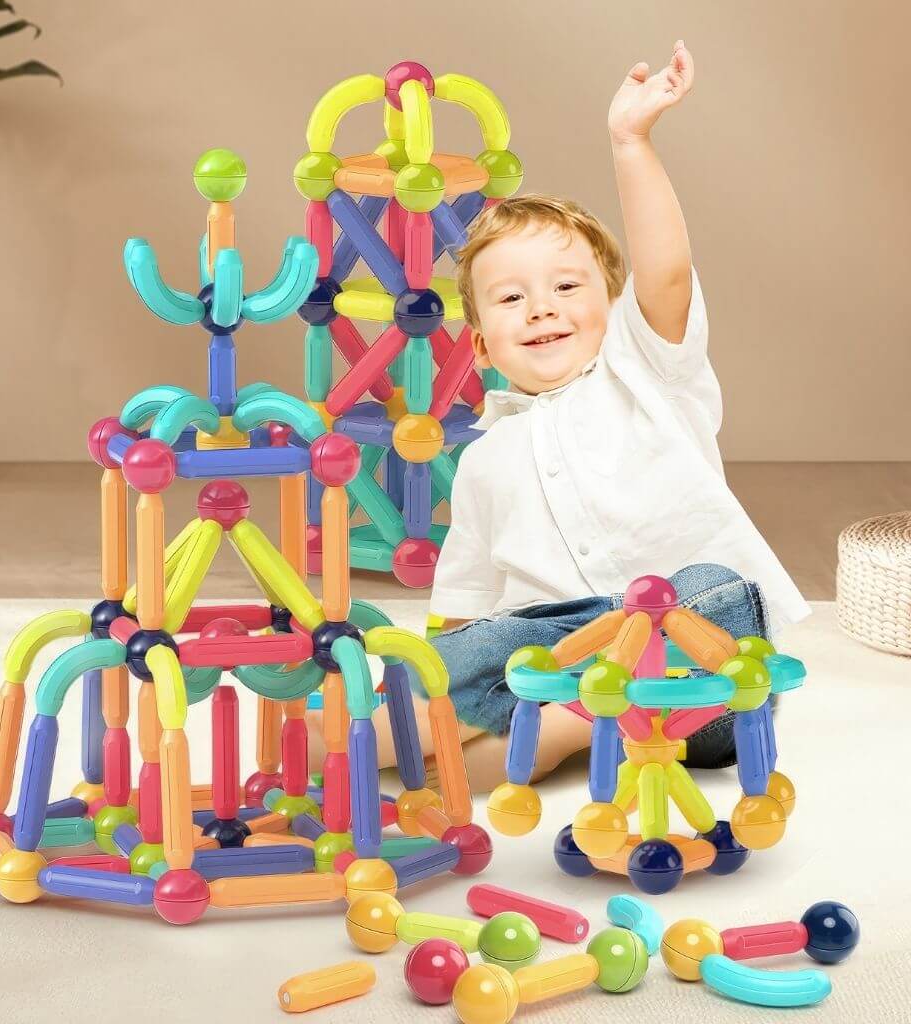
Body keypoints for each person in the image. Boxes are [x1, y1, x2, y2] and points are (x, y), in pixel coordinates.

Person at [308, 41, 810, 791]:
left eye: (567, 287)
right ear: (479, 345)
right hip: (563, 652)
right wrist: (440, 661)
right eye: (511, 298)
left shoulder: (647, 374)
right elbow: (465, 603)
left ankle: (553, 726)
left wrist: (630, 142)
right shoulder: (482, 458)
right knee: (498, 641)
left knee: (711, 587)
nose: (541, 306)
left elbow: (665, 270)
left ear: (615, 309)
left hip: (700, 680)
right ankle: (409, 731)